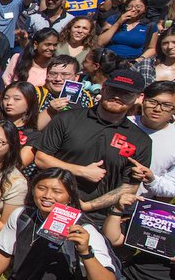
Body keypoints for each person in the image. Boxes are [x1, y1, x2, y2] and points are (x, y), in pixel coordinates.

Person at [34, 69, 153, 228]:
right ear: (103, 89)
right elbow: (41, 158)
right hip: (50, 206)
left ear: (139, 98)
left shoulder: (141, 140)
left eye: (126, 93)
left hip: (96, 219)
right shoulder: (67, 119)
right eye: (113, 90)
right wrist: (81, 171)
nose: (117, 96)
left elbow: (130, 186)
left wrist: (88, 206)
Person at [128, 81, 175, 199]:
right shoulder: (123, 123)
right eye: (152, 102)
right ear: (143, 100)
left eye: (166, 105)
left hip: (134, 208)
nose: (157, 109)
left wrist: (152, 180)